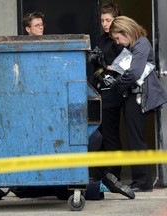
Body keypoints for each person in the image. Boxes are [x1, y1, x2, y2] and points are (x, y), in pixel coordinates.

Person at [109, 16, 167, 192]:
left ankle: (142, 182)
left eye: (118, 38)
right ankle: (140, 181)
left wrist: (118, 84)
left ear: (125, 32)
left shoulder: (141, 44)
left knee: (136, 139)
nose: (119, 43)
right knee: (134, 138)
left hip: (137, 97)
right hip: (135, 96)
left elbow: (134, 73)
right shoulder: (137, 45)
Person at [88, 2, 124, 182]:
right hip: (99, 91)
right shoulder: (102, 39)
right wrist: (94, 60)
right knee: (98, 134)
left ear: (116, 20)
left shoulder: (119, 40)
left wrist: (104, 64)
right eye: (102, 20)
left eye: (108, 20)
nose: (105, 24)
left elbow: (122, 67)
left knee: (110, 135)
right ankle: (99, 174)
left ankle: (114, 176)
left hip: (112, 93)